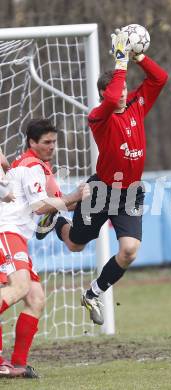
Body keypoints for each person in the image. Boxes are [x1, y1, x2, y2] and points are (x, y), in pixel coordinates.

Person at [37, 30, 168, 326]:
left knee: (130, 250)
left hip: (130, 193)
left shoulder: (136, 104)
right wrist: (121, 62)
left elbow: (160, 79)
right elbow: (111, 95)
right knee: (75, 244)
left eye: (123, 90)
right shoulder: (99, 116)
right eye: (117, 92)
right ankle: (55, 218)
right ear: (104, 96)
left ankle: (93, 293)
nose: (122, 94)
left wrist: (139, 57)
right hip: (102, 191)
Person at [0, 118, 88, 378]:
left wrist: (92, 199)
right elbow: (40, 207)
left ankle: (16, 365)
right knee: (20, 287)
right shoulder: (30, 167)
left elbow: (59, 202)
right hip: (6, 231)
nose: (52, 146)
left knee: (36, 298)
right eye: (46, 142)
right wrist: (75, 196)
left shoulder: (40, 168)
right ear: (32, 143)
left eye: (54, 142)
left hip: (16, 236)